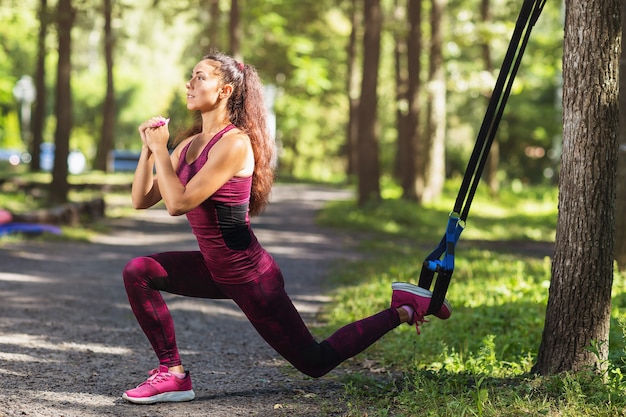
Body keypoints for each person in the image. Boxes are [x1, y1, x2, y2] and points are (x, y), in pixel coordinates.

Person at [121, 49, 452, 405]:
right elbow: (141, 200)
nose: (189, 83)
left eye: (200, 76)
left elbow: (177, 203)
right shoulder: (187, 144)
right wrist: (147, 151)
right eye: (192, 75)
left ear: (225, 91)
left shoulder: (234, 144)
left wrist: (160, 151)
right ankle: (173, 374)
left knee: (316, 361)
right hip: (214, 267)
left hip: (250, 276)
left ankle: (402, 309)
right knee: (138, 271)